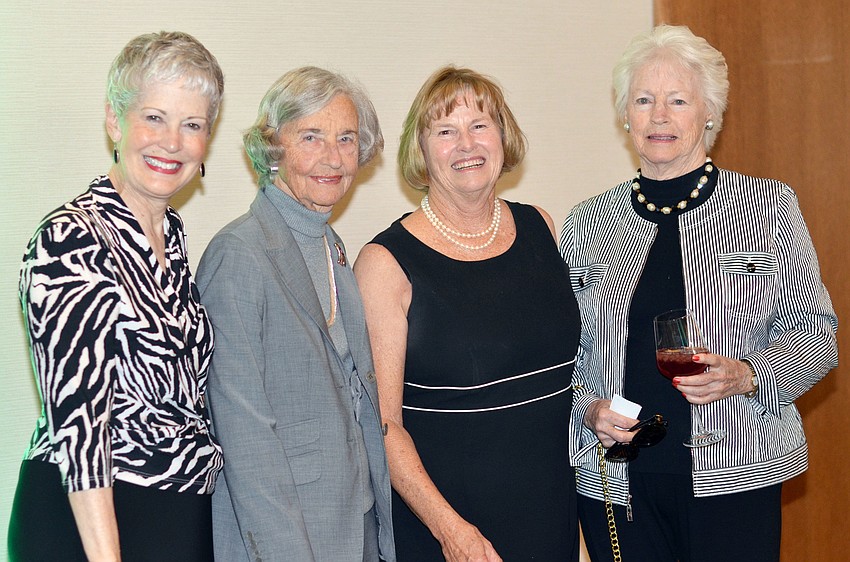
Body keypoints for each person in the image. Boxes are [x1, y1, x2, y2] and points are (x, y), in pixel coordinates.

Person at [560, 24, 838, 562]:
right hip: (618, 480)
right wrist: (587, 409)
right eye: (643, 100)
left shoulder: (767, 204)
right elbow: (564, 352)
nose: (659, 115)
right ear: (625, 115)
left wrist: (751, 373)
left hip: (739, 473)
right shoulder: (587, 223)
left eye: (678, 100)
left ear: (709, 113)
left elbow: (818, 337)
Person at [7, 31, 225, 561]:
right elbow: (80, 427)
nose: (172, 142)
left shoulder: (172, 238)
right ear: (114, 120)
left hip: (175, 515)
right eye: (154, 117)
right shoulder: (72, 237)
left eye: (191, 125)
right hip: (90, 525)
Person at [355, 66, 581, 562]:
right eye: (445, 131)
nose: (466, 144)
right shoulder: (385, 265)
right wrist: (450, 531)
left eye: (480, 125)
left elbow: (562, 380)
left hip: (553, 516)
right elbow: (383, 426)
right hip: (452, 533)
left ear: (504, 136)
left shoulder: (541, 226)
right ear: (422, 149)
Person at [196, 66, 395, 561]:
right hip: (288, 540)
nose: (333, 158)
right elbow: (245, 441)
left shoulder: (333, 246)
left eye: (346, 138)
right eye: (311, 136)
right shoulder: (238, 255)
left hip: (356, 529)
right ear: (273, 148)